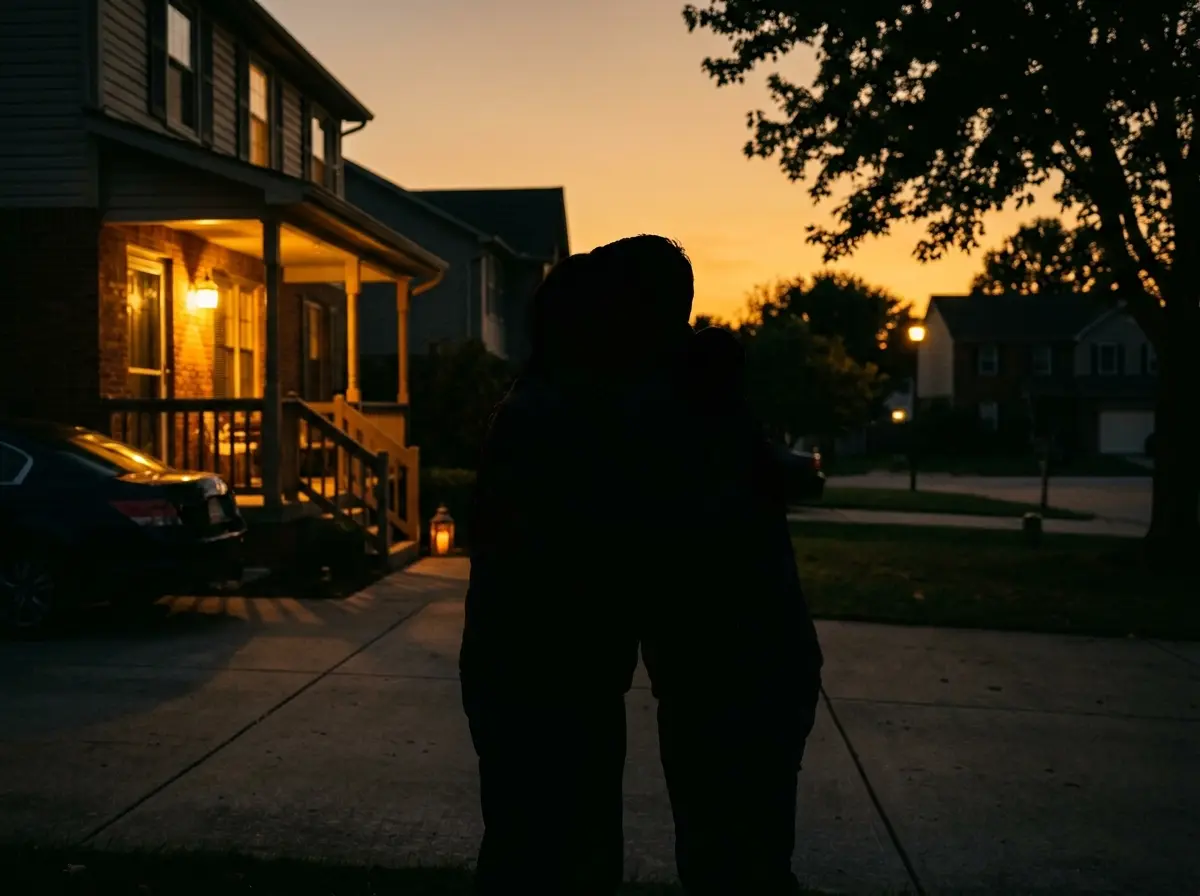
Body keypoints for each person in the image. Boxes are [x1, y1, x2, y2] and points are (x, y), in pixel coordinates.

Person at [461, 250, 679, 895]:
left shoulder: (540, 406)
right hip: (547, 675)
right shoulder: (562, 419)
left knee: (531, 844)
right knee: (556, 849)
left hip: (536, 671)